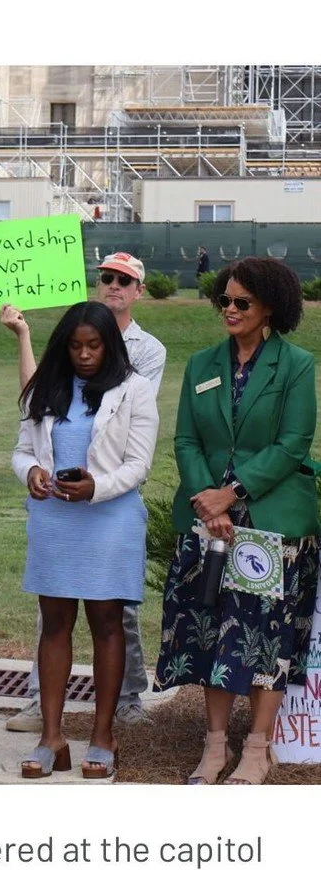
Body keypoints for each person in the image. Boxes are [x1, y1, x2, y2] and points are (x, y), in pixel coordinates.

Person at [153, 256, 318, 785]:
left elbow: (293, 444)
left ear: (270, 307)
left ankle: (257, 748)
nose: (229, 308)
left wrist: (233, 494)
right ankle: (215, 745)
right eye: (223, 299)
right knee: (209, 630)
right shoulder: (202, 364)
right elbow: (185, 439)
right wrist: (208, 501)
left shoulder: (296, 365)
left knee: (263, 635)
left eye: (241, 302)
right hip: (206, 520)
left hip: (270, 521)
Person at [0, 250, 166, 731]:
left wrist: (95, 488)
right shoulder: (46, 389)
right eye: (76, 346)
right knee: (54, 624)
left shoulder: (134, 387)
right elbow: (21, 449)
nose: (86, 354)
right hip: (55, 519)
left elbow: (138, 464)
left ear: (109, 345)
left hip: (110, 519)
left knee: (108, 623)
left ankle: (104, 732)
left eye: (94, 345)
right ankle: (50, 734)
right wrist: (29, 471)